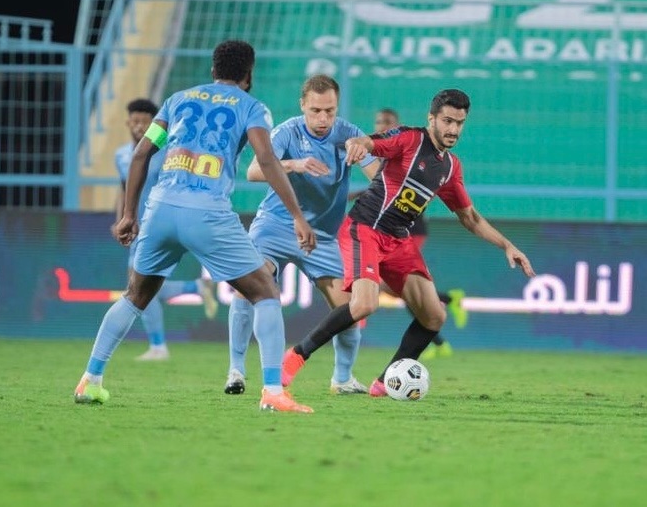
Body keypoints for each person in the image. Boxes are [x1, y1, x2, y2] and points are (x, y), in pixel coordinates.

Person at [73, 39, 317, 413]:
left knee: (135, 295)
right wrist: (298, 216)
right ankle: (272, 391)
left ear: (213, 71)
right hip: (206, 213)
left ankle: (91, 379)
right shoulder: (252, 107)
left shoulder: (177, 100)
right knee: (265, 292)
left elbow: (141, 154)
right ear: (249, 74)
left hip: (160, 210)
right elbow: (266, 160)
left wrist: (128, 214)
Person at [281, 89, 536, 397]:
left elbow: (469, 217)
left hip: (399, 240)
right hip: (366, 229)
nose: (453, 129)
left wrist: (507, 245)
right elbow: (369, 142)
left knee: (434, 315)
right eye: (447, 121)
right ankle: (296, 355)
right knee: (365, 304)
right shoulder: (409, 139)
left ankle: (384, 382)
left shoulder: (451, 167)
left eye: (459, 122)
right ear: (432, 119)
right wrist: (357, 145)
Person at [224, 74, 376, 396]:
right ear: (303, 105)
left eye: (329, 111)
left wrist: (364, 152)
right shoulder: (287, 132)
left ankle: (343, 378)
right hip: (275, 226)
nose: (323, 119)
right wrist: (293, 164)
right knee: (248, 285)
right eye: (316, 111)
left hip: (322, 236)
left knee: (348, 307)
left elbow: (380, 177)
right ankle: (236, 370)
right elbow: (253, 172)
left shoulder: (349, 135)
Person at [350, 107, 468, 362]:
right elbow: (380, 185)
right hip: (387, 227)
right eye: (379, 121)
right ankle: (441, 322)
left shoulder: (405, 146)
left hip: (406, 230)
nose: (382, 125)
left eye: (387, 122)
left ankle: (442, 305)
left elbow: (386, 186)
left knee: (390, 286)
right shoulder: (380, 148)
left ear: (396, 125)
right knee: (400, 291)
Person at [113, 98, 219, 361]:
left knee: (136, 285)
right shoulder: (121, 155)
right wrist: (121, 218)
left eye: (144, 122)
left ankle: (159, 346)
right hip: (136, 224)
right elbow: (124, 188)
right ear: (128, 122)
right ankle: (195, 288)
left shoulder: (167, 153)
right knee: (143, 286)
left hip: (155, 223)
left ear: (155, 124)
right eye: (135, 121)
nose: (139, 127)